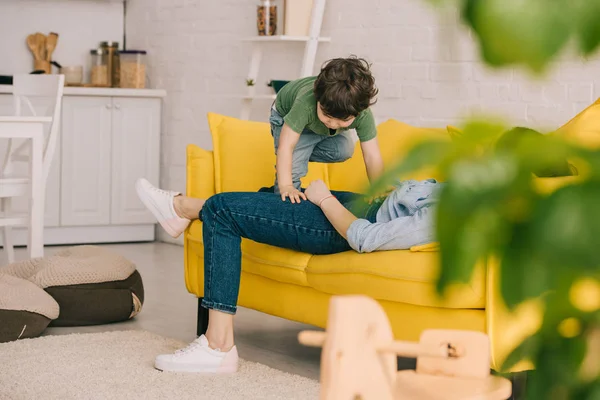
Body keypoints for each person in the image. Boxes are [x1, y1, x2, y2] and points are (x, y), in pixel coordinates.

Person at [135, 176, 442, 374]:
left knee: (221, 210)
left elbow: (366, 238)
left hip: (346, 226)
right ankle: (180, 210)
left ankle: (218, 346)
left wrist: (324, 199)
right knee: (271, 193)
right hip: (370, 204)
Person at [270, 56, 384, 203]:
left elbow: (372, 155)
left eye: (343, 121)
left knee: (344, 150)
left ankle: (301, 152)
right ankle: (282, 199)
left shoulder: (363, 114)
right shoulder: (305, 105)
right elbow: (286, 147)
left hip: (315, 125)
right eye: (327, 117)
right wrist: (286, 185)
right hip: (286, 114)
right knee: (291, 172)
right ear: (318, 101)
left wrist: (378, 188)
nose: (333, 125)